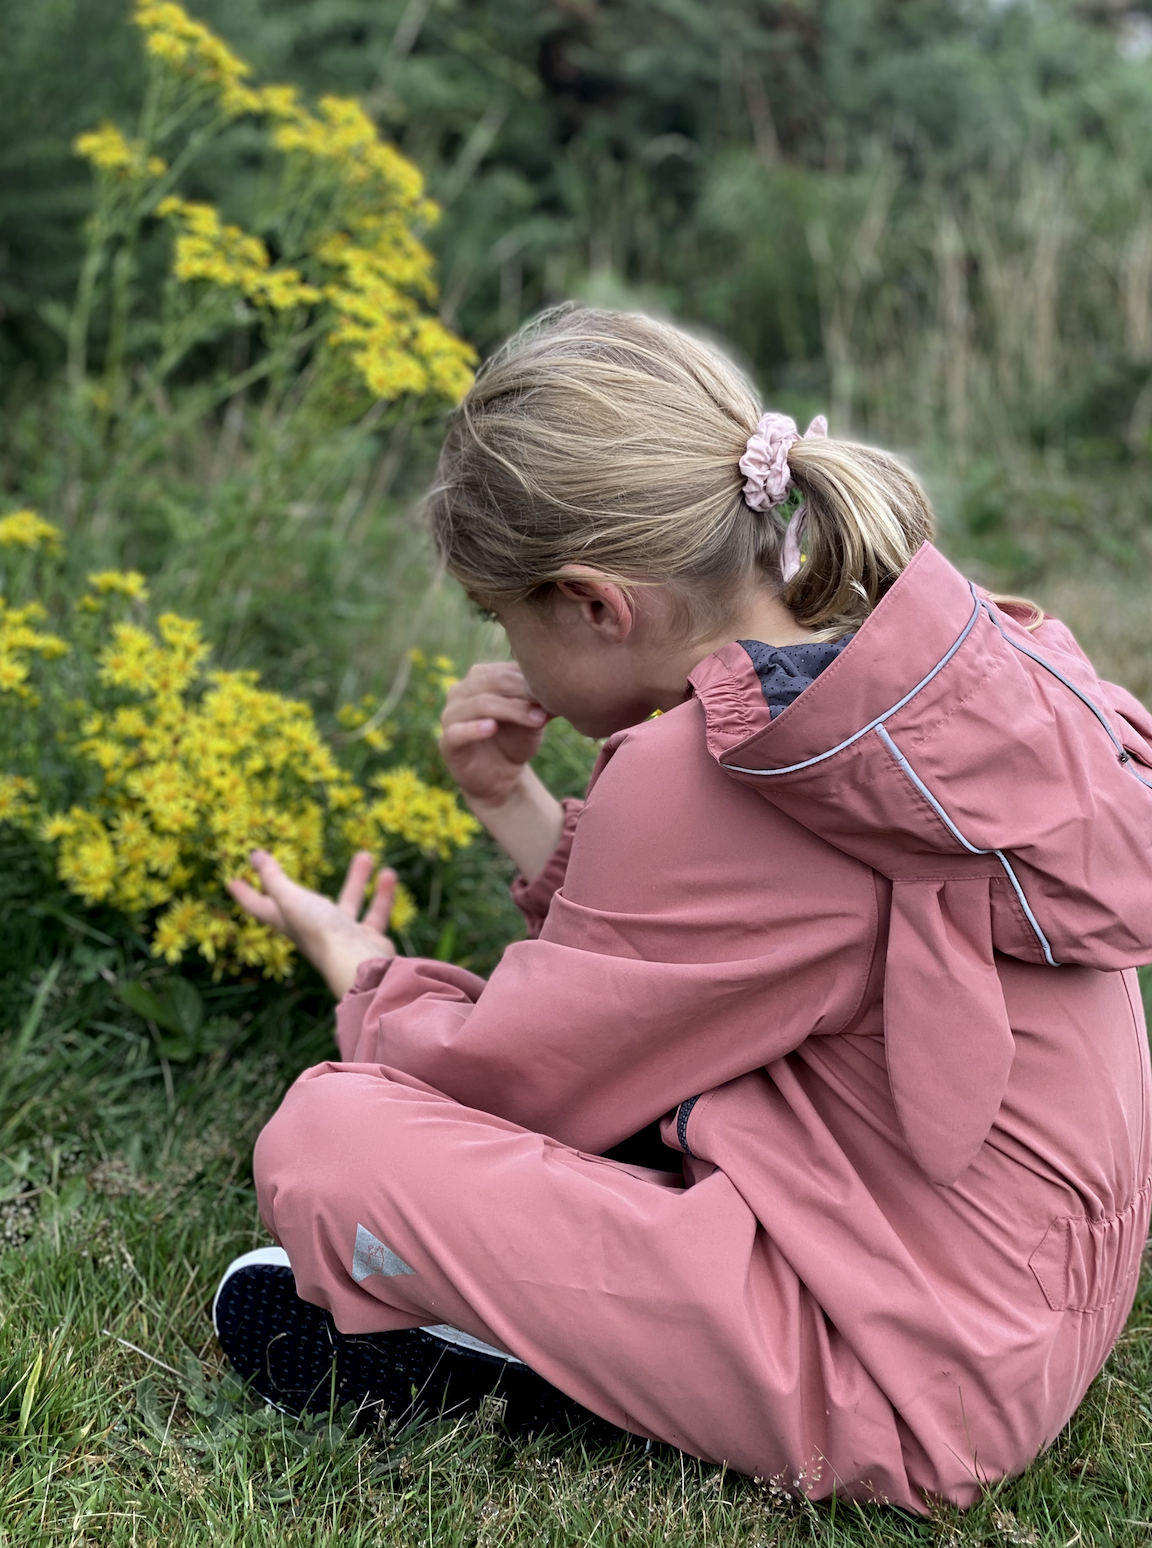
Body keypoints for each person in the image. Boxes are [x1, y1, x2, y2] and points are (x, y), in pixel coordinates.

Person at [213, 307, 1152, 1512]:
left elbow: (516, 1079)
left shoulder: (710, 773)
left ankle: (529, 1361)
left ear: (598, 605)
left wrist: (364, 975)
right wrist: (513, 807)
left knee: (329, 1141)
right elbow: (697, 967)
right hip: (1033, 1304)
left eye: (506, 620)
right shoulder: (903, 682)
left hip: (910, 1375)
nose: (509, 652)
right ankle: (594, 1331)